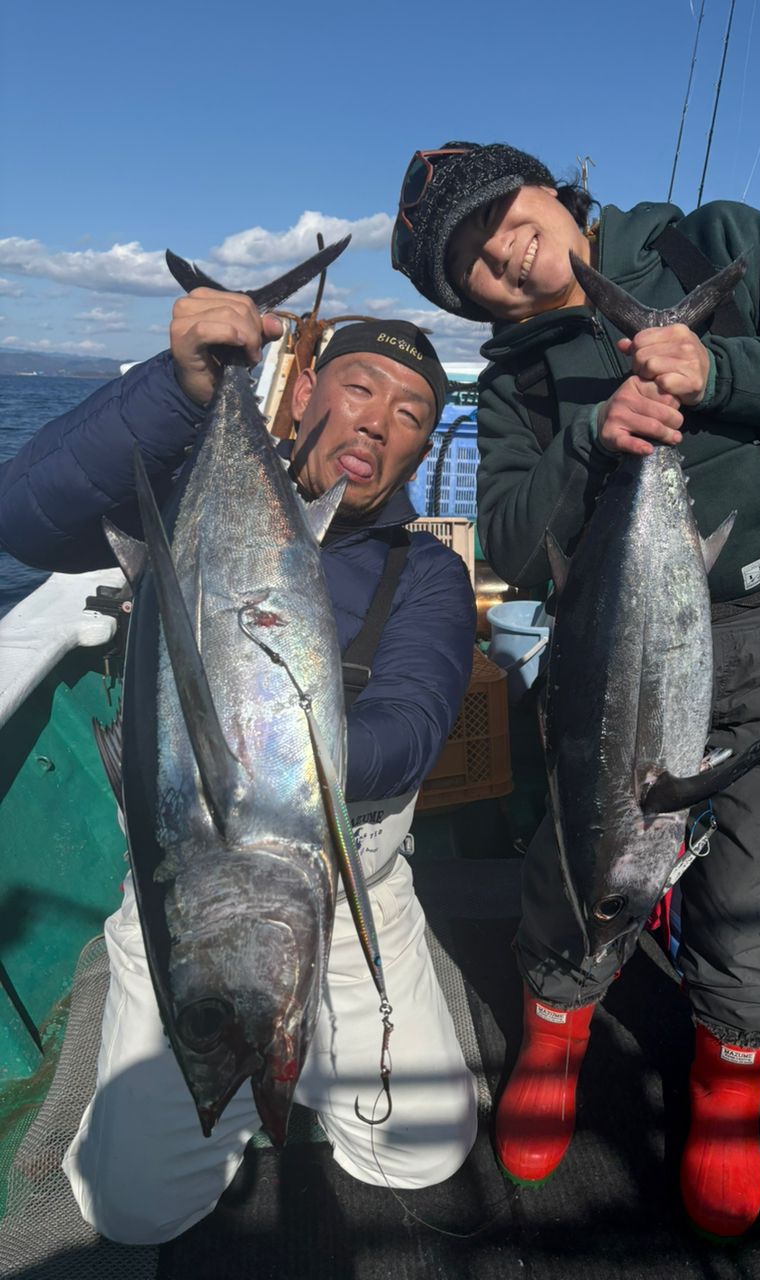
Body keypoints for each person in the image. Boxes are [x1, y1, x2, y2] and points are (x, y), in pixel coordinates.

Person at [390, 141, 760, 1238]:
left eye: (502, 212)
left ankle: (728, 1094)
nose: (507, 253)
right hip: (611, 650)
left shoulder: (712, 240)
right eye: (474, 265)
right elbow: (514, 543)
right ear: (470, 301)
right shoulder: (518, 379)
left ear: (550, 189)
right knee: (580, 850)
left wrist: (719, 370)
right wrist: (591, 436)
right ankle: (555, 1031)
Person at [0, 294, 480, 1244]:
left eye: (411, 415)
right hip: (186, 892)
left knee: (421, 1149)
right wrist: (182, 388)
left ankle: (315, 1027)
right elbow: (22, 517)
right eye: (359, 388)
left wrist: (273, 744)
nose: (378, 422)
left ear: (421, 452)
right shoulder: (184, 494)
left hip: (356, 889)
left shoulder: (422, 575)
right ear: (303, 391)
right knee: (132, 1210)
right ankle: (159, 987)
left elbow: (413, 729)